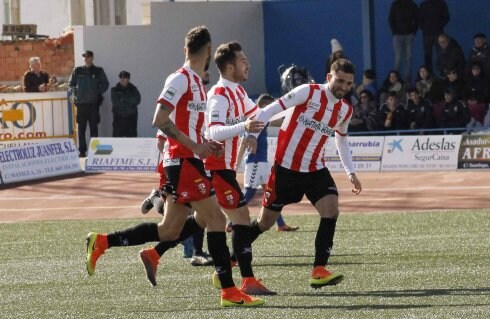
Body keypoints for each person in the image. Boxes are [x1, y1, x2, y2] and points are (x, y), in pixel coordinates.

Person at [85, 26, 264, 307]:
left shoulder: (195, 83)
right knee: (216, 219)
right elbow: (159, 119)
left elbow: (184, 125)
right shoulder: (181, 79)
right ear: (208, 52)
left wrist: (205, 143)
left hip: (188, 160)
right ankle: (229, 290)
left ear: (186, 49)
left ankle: (102, 242)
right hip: (183, 161)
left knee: (169, 230)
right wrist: (195, 147)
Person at [241, 59, 362, 289]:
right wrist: (252, 135)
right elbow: (268, 111)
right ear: (329, 77)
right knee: (264, 222)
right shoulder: (307, 92)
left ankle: (319, 270)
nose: (344, 87)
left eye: (348, 83)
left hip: (315, 169)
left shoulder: (345, 110)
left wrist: (350, 171)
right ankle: (233, 258)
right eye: (340, 81)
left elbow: (341, 139)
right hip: (285, 170)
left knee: (331, 209)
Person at [204, 41, 275, 296]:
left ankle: (154, 251)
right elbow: (214, 131)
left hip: (225, 169)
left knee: (185, 223)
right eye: (243, 61)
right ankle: (246, 280)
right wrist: (244, 128)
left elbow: (259, 116)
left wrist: (294, 110)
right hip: (215, 167)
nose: (249, 64)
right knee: (241, 218)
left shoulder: (239, 93)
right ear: (230, 66)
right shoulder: (219, 95)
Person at [140, 131, 212, 266]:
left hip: (194, 164)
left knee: (198, 206)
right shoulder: (171, 115)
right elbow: (160, 143)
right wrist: (175, 156)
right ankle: (155, 198)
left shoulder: (200, 116)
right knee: (173, 211)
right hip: (175, 165)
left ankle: (196, 251)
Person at [235, 93, 299, 232]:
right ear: (264, 106)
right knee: (249, 193)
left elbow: (279, 121)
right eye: (270, 106)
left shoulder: (262, 120)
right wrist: (237, 163)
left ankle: (281, 224)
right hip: (255, 163)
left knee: (272, 195)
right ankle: (233, 222)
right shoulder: (256, 120)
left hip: (261, 163)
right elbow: (245, 141)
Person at [69, 50, 109, 157]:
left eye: (87, 57)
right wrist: (75, 97)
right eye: (84, 57)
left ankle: (94, 151)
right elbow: (71, 85)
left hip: (93, 104)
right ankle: (82, 151)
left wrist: (97, 92)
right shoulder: (77, 70)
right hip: (81, 104)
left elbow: (105, 84)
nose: (85, 59)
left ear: (92, 58)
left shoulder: (98, 70)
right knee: (81, 129)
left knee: (93, 128)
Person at [388, 0, 418, 84]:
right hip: (398, 35)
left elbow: (416, 19)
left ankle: (407, 81)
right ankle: (395, 80)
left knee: (409, 58)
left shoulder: (413, 5)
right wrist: (394, 32)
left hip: (409, 35)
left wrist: (413, 32)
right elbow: (391, 18)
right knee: (398, 58)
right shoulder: (395, 4)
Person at [419, 0, 450, 73]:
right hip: (429, 34)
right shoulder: (423, 4)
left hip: (436, 34)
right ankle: (429, 74)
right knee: (428, 55)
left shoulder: (441, 3)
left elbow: (447, 17)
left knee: (440, 54)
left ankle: (442, 73)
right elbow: (419, 18)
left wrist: (439, 26)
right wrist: (423, 27)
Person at [111, 70, 141, 137]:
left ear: (128, 79)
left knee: (132, 141)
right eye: (121, 77)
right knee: (117, 142)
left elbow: (137, 100)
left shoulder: (133, 89)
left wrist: (123, 99)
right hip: (118, 119)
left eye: (124, 78)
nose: (122, 79)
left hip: (131, 119)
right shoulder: (114, 90)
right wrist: (129, 102)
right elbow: (116, 103)